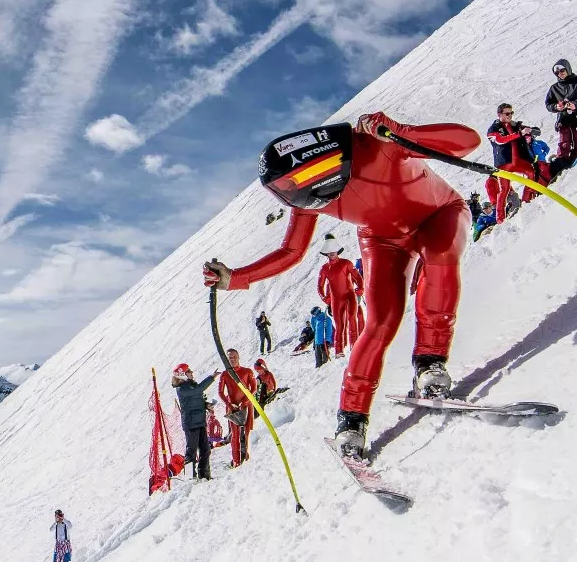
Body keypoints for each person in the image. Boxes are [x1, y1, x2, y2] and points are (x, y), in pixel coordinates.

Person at [204, 112, 480, 460]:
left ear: (321, 166)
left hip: (439, 213)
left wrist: (398, 132)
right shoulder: (310, 196)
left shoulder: (377, 145)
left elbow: (468, 141)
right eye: (289, 196)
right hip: (383, 238)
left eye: (298, 189)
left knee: (440, 256)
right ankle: (352, 419)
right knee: (380, 322)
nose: (303, 203)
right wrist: (236, 277)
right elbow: (292, 250)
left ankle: (429, 363)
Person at [484, 103, 537, 223]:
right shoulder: (494, 128)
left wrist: (530, 131)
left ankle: (526, 201)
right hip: (504, 162)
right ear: (499, 115)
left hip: (517, 160)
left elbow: (525, 130)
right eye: (507, 113)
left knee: (531, 172)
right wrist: (519, 134)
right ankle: (500, 219)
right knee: (504, 189)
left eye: (511, 113)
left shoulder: (514, 125)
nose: (510, 116)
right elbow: (500, 140)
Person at [545, 60, 577, 171]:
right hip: (564, 119)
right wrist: (556, 107)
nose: (560, 73)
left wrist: (576, 103)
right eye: (557, 72)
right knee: (564, 143)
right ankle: (562, 166)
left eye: (562, 70)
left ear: (568, 69)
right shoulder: (554, 88)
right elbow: (548, 104)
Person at [316, 233, 365, 353]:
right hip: (336, 299)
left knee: (352, 319)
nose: (332, 253)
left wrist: (360, 289)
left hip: (349, 295)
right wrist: (325, 298)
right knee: (339, 325)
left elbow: (358, 277)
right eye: (329, 251)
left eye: (334, 251)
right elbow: (320, 286)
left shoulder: (346, 263)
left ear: (337, 251)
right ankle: (339, 350)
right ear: (326, 253)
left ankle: (354, 345)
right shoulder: (324, 268)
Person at [171, 363, 219, 480]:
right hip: (191, 423)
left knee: (205, 449)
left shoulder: (190, 385)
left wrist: (206, 405)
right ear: (183, 375)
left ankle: (204, 475)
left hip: (199, 421)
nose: (192, 373)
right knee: (191, 452)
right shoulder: (183, 388)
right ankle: (189, 477)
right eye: (189, 371)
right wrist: (212, 377)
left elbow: (196, 400)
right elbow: (199, 389)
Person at [218, 349, 257, 467]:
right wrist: (230, 405)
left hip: (246, 405)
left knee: (247, 431)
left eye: (234, 357)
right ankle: (236, 459)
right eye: (230, 358)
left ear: (238, 357)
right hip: (232, 408)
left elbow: (254, 388)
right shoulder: (225, 374)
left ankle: (246, 455)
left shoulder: (247, 371)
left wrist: (245, 401)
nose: (233, 359)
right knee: (234, 434)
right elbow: (220, 392)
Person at [520, 126, 553, 202]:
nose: (533, 137)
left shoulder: (538, 143)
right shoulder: (526, 145)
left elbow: (546, 148)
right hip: (533, 164)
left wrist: (544, 153)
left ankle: (545, 185)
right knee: (533, 179)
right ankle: (527, 198)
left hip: (542, 162)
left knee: (543, 173)